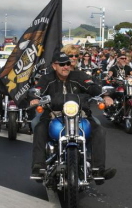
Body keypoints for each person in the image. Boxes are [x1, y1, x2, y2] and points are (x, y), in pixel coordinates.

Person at [29, 52, 116, 184]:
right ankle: (39, 167)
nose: (65, 67)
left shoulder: (79, 76)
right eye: (62, 64)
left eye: (68, 64)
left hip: (80, 113)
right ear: (54, 66)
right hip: (54, 113)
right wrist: (35, 98)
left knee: (99, 130)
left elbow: (92, 87)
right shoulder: (47, 78)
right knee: (39, 127)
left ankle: (98, 170)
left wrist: (105, 96)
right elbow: (39, 89)